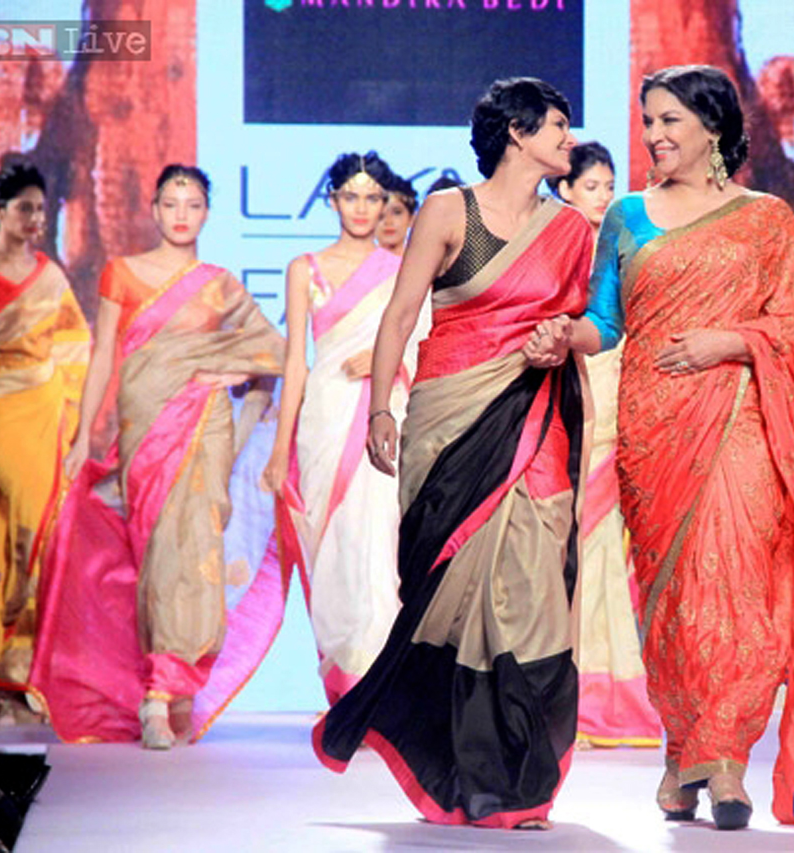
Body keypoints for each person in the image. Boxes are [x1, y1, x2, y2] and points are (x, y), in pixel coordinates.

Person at [532, 64, 794, 829]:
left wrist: (731, 340)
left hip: (742, 420)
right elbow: (606, 321)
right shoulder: (627, 215)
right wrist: (565, 335)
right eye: (649, 121)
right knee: (675, 601)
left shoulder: (765, 219)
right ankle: (682, 747)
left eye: (670, 120)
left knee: (739, 590)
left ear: (714, 127)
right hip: (654, 429)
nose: (654, 135)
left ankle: (724, 758)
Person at [312, 78, 595, 830]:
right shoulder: (447, 211)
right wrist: (380, 408)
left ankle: (520, 779)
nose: (569, 139)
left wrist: (563, 339)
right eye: (557, 126)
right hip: (448, 425)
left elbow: (589, 324)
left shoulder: (571, 230)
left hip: (534, 422)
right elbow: (401, 313)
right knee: (449, 602)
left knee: (534, 595)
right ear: (517, 133)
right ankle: (459, 772)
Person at [29, 165, 286, 749]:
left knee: (193, 552)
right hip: (143, 426)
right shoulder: (121, 272)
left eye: (192, 204)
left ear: (207, 212)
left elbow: (274, 348)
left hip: (204, 425)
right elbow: (103, 357)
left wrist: (231, 370)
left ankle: (164, 693)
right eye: (171, 203)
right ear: (152, 209)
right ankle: (158, 685)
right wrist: (81, 439)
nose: (181, 215)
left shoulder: (219, 284)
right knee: (153, 557)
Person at [263, 154, 428, 704]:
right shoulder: (303, 269)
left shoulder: (401, 269)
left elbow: (423, 342)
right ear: (331, 200)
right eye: (350, 197)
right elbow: (296, 363)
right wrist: (279, 450)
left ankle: (376, 694)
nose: (361, 208)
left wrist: (387, 360)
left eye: (372, 198)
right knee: (329, 552)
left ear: (386, 205)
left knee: (378, 549)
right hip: (324, 420)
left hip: (383, 418)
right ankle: (343, 689)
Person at [0, 160, 89, 719]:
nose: (36, 217)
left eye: (41, 208)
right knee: (18, 525)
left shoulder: (50, 274)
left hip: (44, 410)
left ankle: (10, 669)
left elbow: (75, 346)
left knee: (22, 531)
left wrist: (73, 417)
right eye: (24, 208)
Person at [549, 142, 661, 748]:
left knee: (603, 557)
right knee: (562, 552)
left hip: (618, 403)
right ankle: (561, 692)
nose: (602, 196)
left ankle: (604, 695)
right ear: (564, 188)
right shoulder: (553, 245)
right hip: (566, 400)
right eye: (591, 186)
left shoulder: (622, 244)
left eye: (608, 185)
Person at [374, 169, 418, 256]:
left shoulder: (427, 261)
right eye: (380, 215)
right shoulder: (356, 262)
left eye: (397, 212)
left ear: (412, 218)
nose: (388, 222)